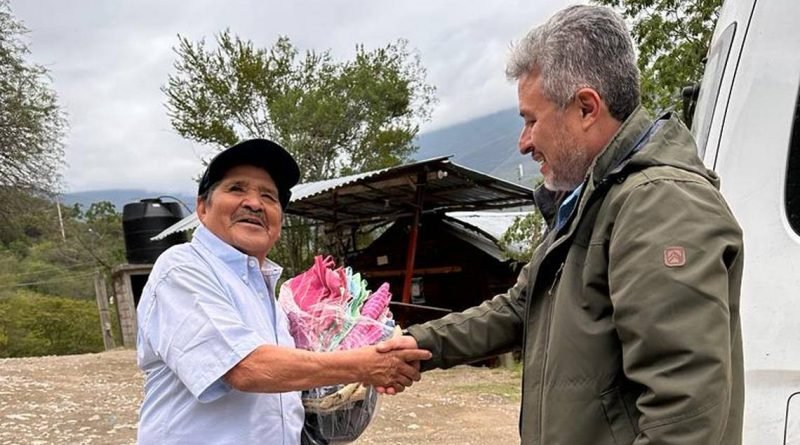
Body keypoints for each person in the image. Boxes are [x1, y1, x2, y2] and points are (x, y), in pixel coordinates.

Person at [378, 5, 744, 444]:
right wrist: (420, 344)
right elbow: (518, 307)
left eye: (532, 119)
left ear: (587, 108)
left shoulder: (657, 204)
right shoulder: (595, 199)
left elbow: (684, 415)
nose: (524, 142)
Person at [136, 138, 431, 444]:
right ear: (202, 207)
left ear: (279, 218)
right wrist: (366, 364)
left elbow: (284, 388)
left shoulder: (269, 293)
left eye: (269, 196)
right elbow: (245, 368)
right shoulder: (182, 269)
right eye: (236, 188)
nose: (254, 203)